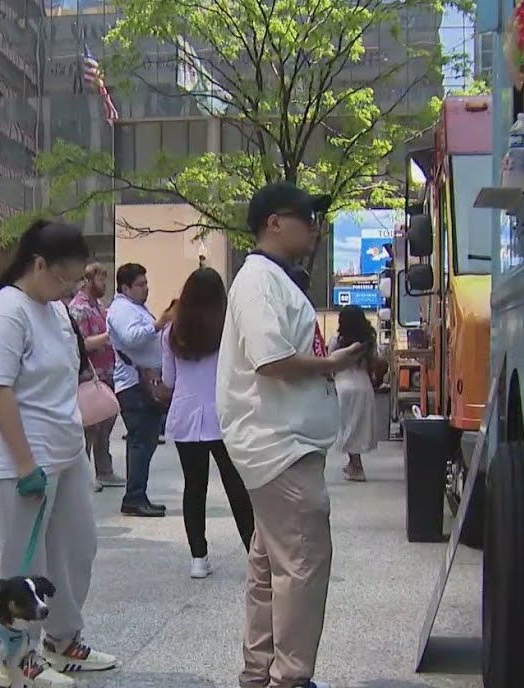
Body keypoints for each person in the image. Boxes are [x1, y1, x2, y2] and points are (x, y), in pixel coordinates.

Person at [217, 181, 365, 688]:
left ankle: (261, 673)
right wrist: (334, 362)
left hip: (279, 443)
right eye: (306, 216)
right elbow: (272, 360)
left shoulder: (271, 279)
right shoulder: (258, 280)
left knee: (270, 566)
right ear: (273, 223)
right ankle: (290, 678)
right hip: (280, 444)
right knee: (302, 564)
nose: (315, 227)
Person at [0, 220, 117, 686]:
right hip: (24, 457)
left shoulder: (54, 310)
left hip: (65, 449)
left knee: (76, 548)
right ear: (38, 265)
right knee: (24, 563)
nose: (69, 288)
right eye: (63, 278)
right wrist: (24, 463)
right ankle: (16, 658)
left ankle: (62, 640)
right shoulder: (5, 313)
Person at [161, 267, 254, 579]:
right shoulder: (229, 330)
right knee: (236, 484)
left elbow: (168, 379)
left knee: (194, 486)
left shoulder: (172, 332)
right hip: (224, 414)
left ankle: (198, 558)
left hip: (186, 416)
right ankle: (254, 552)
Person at [106, 262, 170, 517]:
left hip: (145, 382)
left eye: (146, 284)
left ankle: (138, 494)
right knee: (140, 442)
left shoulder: (135, 307)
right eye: (140, 285)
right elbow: (132, 338)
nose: (146, 289)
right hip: (134, 384)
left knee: (147, 440)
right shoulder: (121, 309)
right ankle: (134, 497)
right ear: (125, 287)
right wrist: (159, 323)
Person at [68, 263, 124, 491]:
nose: (105, 285)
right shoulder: (79, 308)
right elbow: (80, 343)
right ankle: (85, 475)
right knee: (89, 427)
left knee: (105, 424)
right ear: (89, 280)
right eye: (101, 280)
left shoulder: (100, 306)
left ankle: (105, 470)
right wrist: (108, 336)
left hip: (106, 374)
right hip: (89, 376)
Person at [329, 305, 379, 481]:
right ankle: (354, 465)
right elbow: (374, 363)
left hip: (344, 386)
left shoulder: (337, 341)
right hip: (363, 386)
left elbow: (331, 363)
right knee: (358, 427)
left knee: (348, 427)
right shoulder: (368, 341)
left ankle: (357, 467)